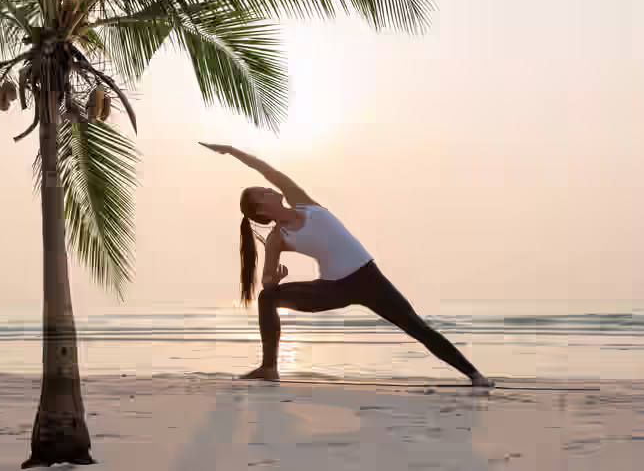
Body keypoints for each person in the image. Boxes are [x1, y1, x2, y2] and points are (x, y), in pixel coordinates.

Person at [199, 142, 493, 388]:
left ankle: (475, 376)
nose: (269, 189)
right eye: (263, 192)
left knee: (415, 326)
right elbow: (267, 282)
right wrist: (275, 277)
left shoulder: (303, 202)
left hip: (369, 278)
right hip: (333, 289)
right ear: (262, 208)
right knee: (268, 297)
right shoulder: (278, 237)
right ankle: (269, 367)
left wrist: (233, 151)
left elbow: (269, 170)